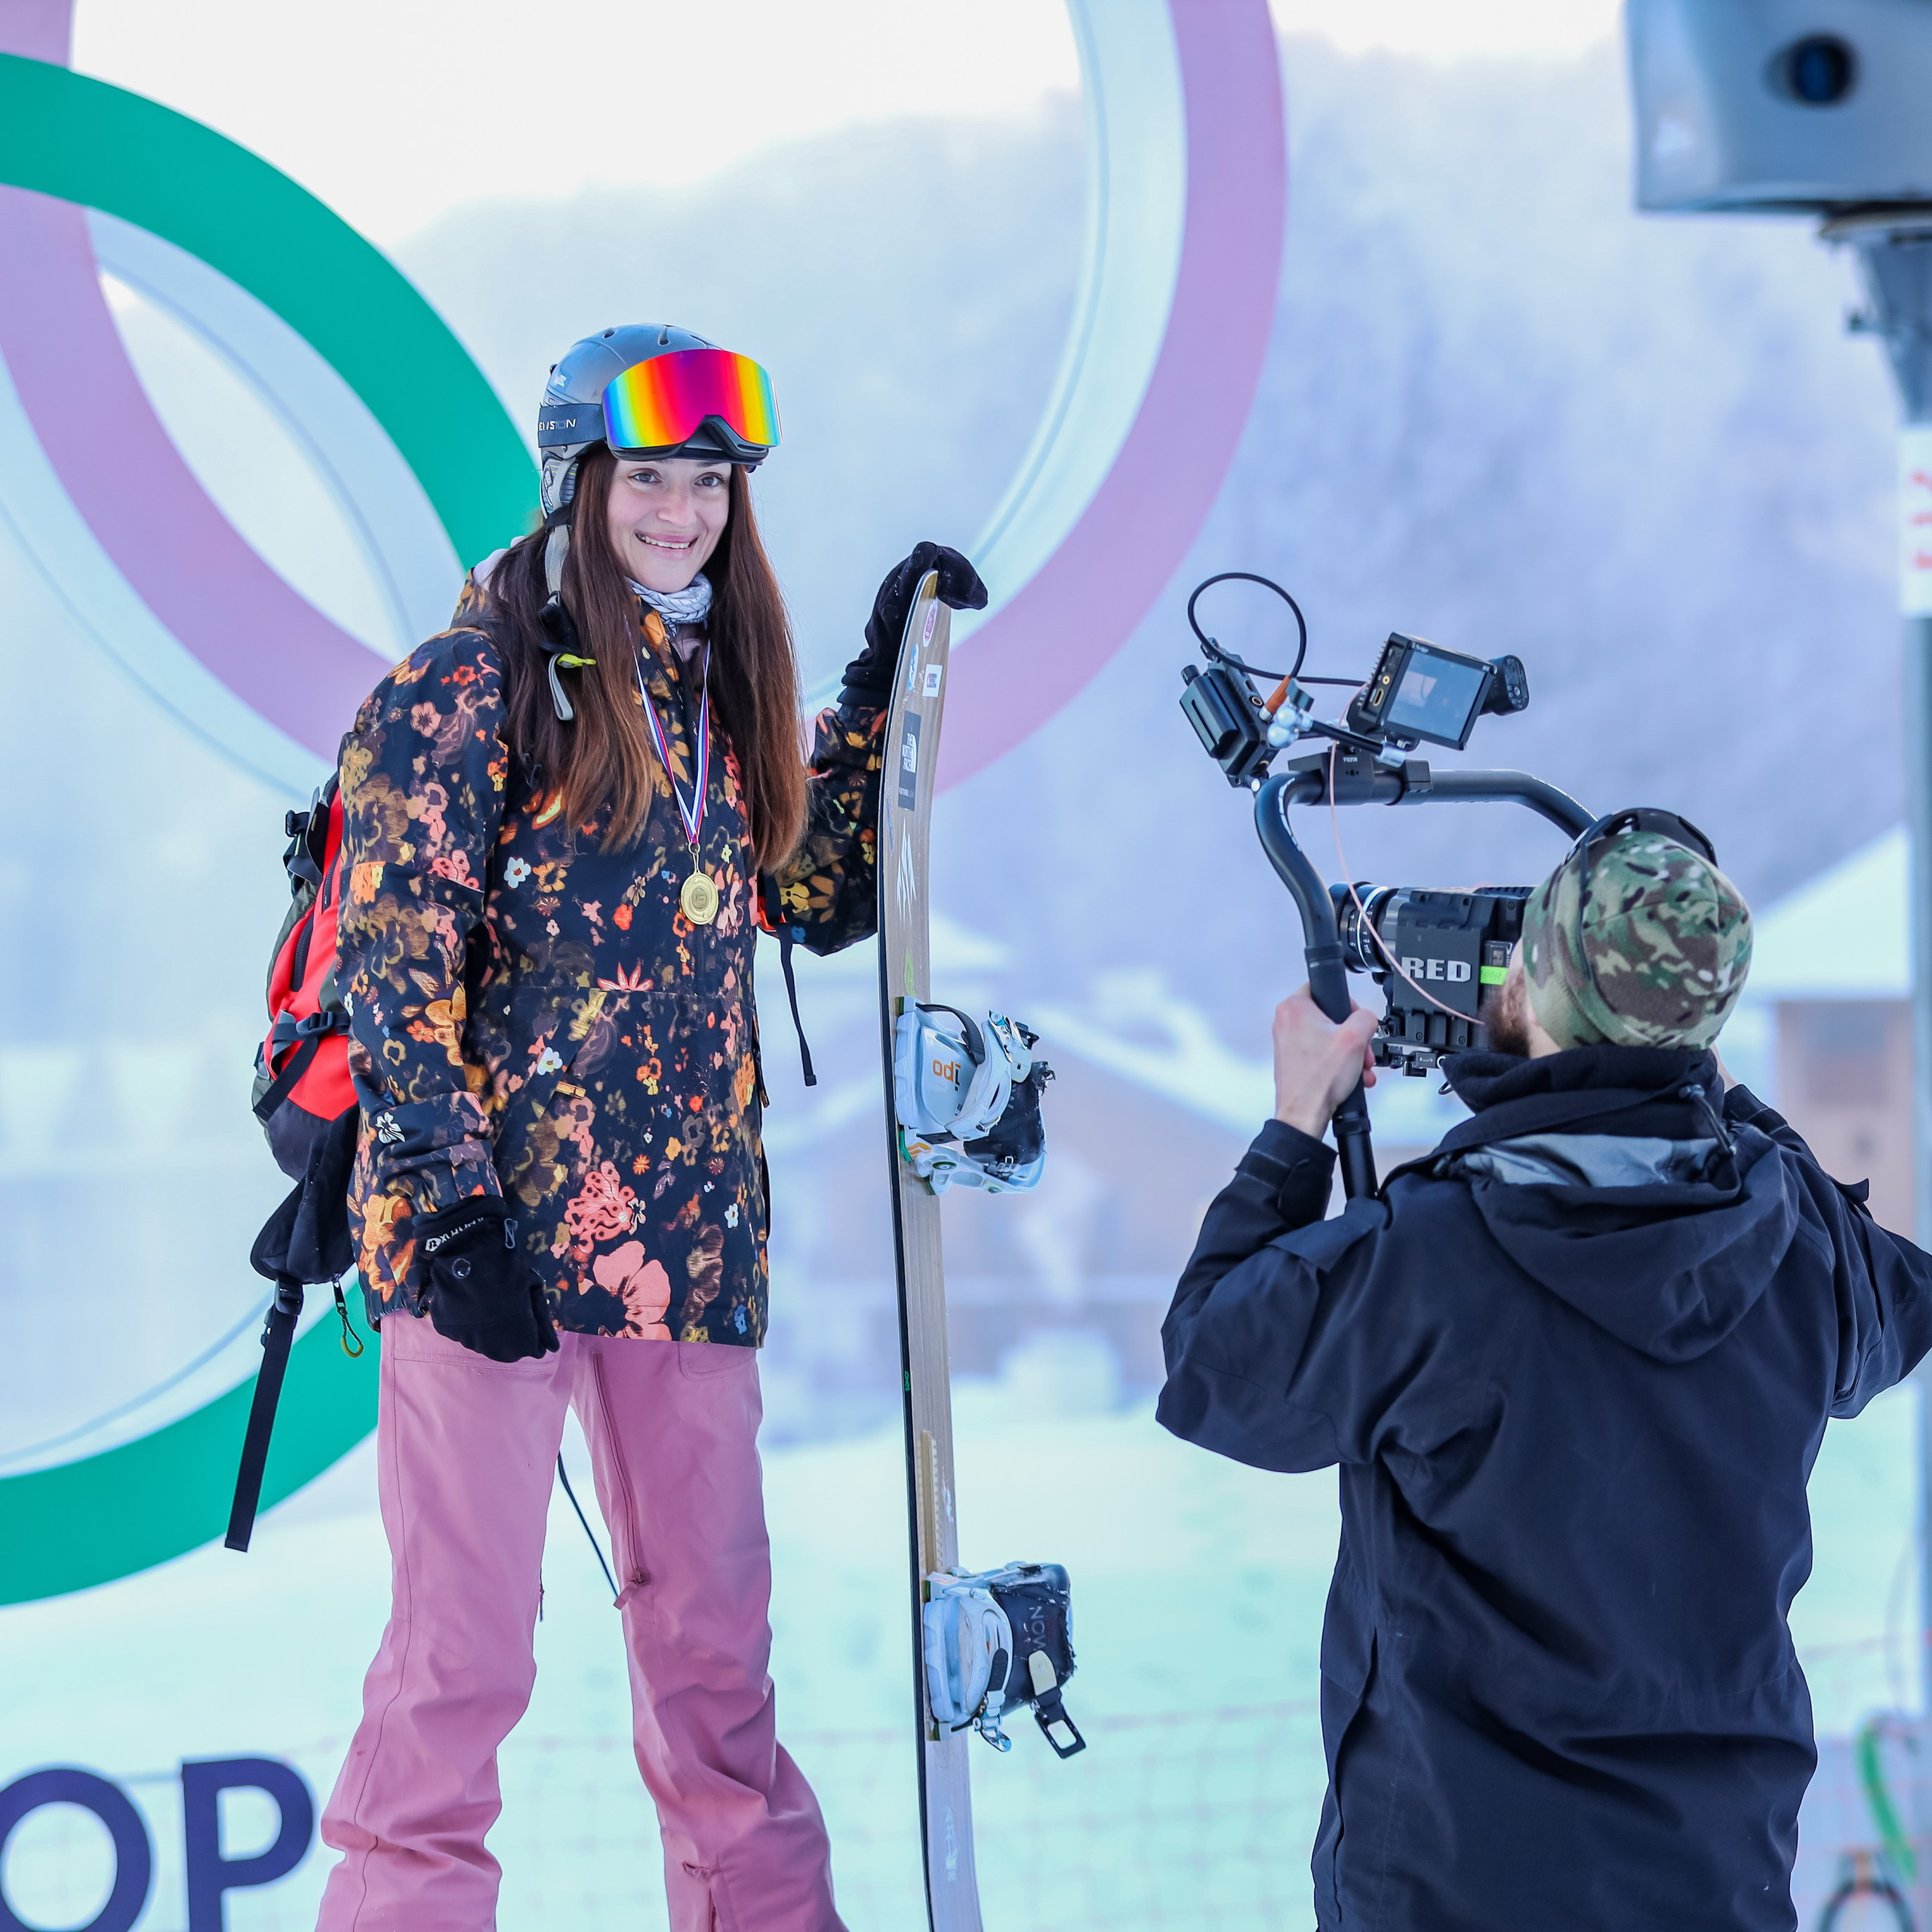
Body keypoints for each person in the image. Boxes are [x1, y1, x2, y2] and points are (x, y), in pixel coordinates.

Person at [313, 323, 986, 1932]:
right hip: (487, 1247)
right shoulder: (461, 688)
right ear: (576, 480)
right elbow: (388, 966)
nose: (681, 512)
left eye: (709, 483)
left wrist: (877, 705)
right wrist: (447, 1203)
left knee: (712, 1657)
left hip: (682, 1248)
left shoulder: (714, 697)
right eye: (650, 479)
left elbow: (806, 894)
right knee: (460, 1659)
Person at [1159, 817, 1932, 1930]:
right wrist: (1719, 1098)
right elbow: (1900, 1305)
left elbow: (1212, 1368)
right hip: (1716, 1883)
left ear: (1529, 989)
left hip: (1458, 1888)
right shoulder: (1797, 1239)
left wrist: (1296, 1128)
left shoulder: (1428, 1260)